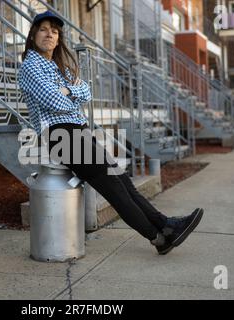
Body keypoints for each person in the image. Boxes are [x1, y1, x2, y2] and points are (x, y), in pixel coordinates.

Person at [17, 10, 204, 255]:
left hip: (77, 132)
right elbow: (56, 103)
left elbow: (86, 90)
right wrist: (69, 93)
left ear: (59, 38)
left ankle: (165, 228)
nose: (49, 34)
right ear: (33, 35)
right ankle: (159, 235)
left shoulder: (58, 66)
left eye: (54, 31)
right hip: (59, 135)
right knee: (114, 188)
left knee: (123, 182)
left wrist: (68, 92)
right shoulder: (31, 66)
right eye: (43, 29)